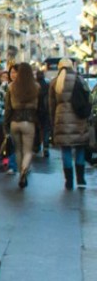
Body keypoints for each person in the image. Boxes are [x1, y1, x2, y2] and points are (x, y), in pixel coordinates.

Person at [49, 58, 90, 189]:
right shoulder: (79, 79)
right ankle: (81, 179)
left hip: (61, 120)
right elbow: (88, 98)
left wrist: (53, 122)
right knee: (80, 149)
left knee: (65, 150)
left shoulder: (55, 82)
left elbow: (51, 105)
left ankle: (69, 181)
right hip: (79, 119)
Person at [3, 61, 40, 189]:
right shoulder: (36, 87)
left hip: (15, 120)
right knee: (28, 151)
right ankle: (24, 169)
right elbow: (41, 107)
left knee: (18, 150)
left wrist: (5, 123)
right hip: (29, 121)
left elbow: (8, 108)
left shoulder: (11, 86)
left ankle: (20, 174)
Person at [34, 67, 51, 157]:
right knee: (46, 129)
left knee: (36, 128)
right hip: (45, 110)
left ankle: (37, 146)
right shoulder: (47, 85)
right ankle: (46, 147)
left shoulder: (34, 85)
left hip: (36, 110)